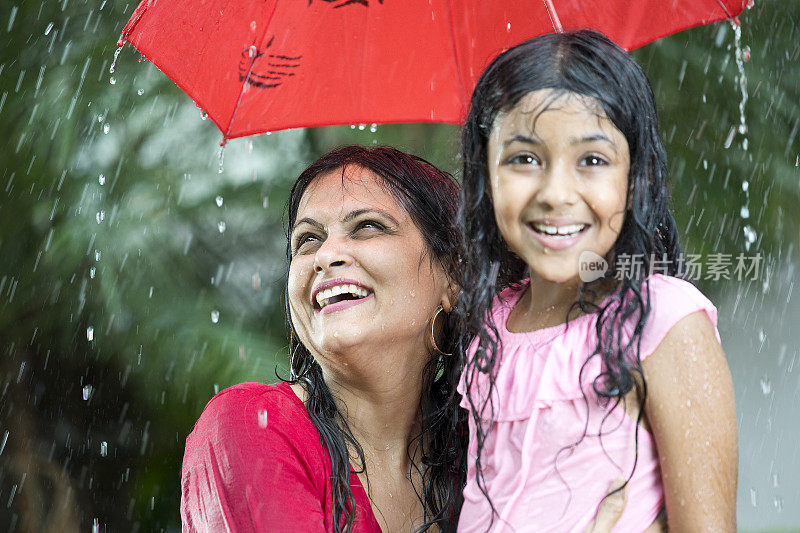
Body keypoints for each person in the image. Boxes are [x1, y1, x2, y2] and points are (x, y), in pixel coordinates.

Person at [180, 145, 632, 533]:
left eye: (367, 226)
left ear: (453, 278)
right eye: (307, 240)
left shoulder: (484, 454)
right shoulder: (252, 426)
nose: (326, 256)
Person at [456, 30, 737, 532]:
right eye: (524, 158)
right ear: (485, 175)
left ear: (636, 181)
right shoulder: (491, 324)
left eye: (592, 160)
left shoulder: (662, 322)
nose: (556, 193)